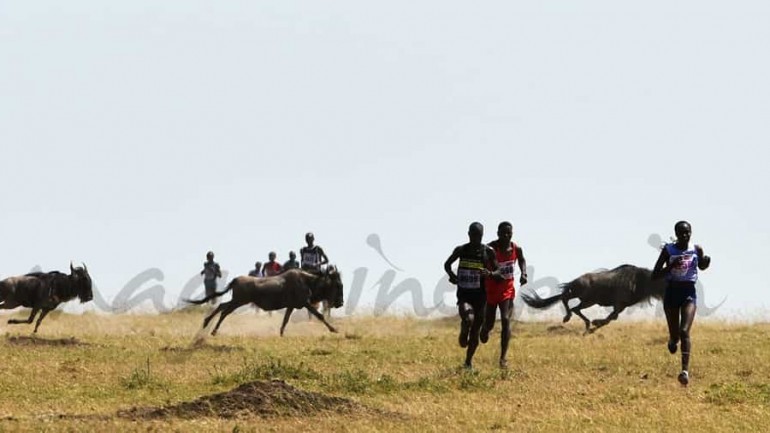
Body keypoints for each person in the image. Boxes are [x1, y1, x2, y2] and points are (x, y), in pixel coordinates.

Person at [652, 220, 711, 386]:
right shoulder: (668, 250)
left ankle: (684, 371)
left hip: (688, 293)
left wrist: (705, 262)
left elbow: (702, 266)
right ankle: (672, 340)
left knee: (684, 331)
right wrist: (671, 266)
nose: (685, 236)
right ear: (676, 234)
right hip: (671, 292)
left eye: (688, 232)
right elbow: (655, 275)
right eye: (682, 233)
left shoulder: (696, 249)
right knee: (675, 335)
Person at [444, 222, 502, 369]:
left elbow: (499, 271)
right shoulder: (461, 250)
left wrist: (489, 273)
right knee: (469, 318)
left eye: (479, 236)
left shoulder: (487, 251)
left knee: (476, 330)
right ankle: (464, 329)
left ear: (482, 236)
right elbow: (447, 264)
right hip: (464, 294)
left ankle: (468, 362)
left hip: (480, 296)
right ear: (469, 234)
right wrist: (452, 276)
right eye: (473, 235)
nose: (476, 238)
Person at [479, 221, 527, 369]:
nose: (506, 235)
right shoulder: (490, 248)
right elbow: (480, 264)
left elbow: (522, 260)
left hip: (507, 290)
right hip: (491, 290)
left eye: (509, 233)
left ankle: (503, 358)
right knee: (490, 323)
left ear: (512, 233)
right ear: (498, 233)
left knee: (506, 319)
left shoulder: (516, 248)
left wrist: (524, 273)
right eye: (503, 233)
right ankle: (485, 329)